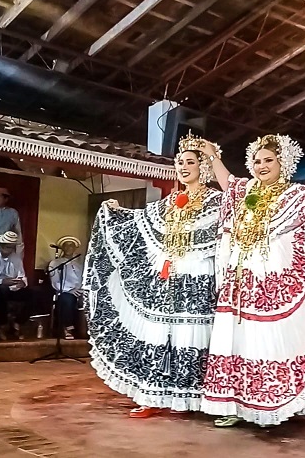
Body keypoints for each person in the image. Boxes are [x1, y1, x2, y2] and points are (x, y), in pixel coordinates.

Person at [197, 134, 305, 428]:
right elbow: (228, 182)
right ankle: (231, 406)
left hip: (274, 283)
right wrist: (213, 154)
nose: (261, 166)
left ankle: (270, 407)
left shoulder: (295, 194)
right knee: (234, 340)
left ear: (284, 163)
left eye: (269, 160)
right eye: (256, 160)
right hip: (239, 281)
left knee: (268, 341)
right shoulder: (247, 191)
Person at [83, 135, 222, 418]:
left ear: (202, 167)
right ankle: (153, 396)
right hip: (167, 274)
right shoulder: (171, 201)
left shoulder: (216, 200)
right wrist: (117, 212)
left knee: (191, 335)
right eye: (180, 162)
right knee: (160, 332)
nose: (183, 167)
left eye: (190, 162)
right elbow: (142, 220)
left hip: (197, 275)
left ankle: (190, 398)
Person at [48, 236, 83, 340]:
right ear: (62, 248)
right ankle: (67, 328)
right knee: (67, 299)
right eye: (66, 246)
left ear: (75, 248)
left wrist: (81, 289)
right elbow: (55, 282)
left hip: (80, 290)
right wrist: (70, 290)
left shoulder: (80, 264)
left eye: (71, 245)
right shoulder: (55, 263)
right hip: (65, 291)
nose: (68, 248)